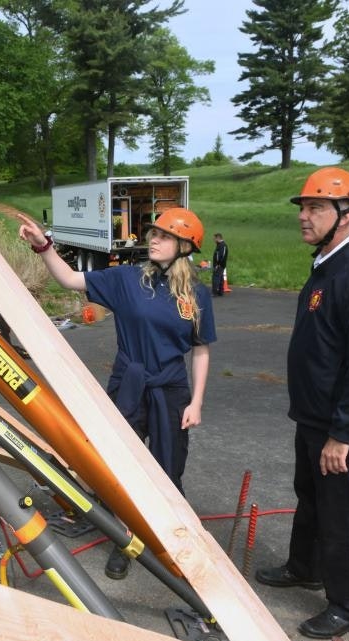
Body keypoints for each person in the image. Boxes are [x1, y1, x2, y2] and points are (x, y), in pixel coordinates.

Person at [19, 208, 215, 580]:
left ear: (186, 247)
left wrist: (196, 402)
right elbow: (69, 279)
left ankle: (174, 541)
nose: (153, 239)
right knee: (119, 469)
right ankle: (125, 542)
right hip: (130, 383)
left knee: (169, 468)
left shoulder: (196, 295)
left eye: (164, 236)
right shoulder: (128, 279)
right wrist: (44, 247)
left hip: (171, 389)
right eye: (153, 233)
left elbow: (201, 348)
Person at [255, 167, 349, 639]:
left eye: (316, 208)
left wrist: (343, 433)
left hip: (342, 424)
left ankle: (347, 605)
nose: (304, 216)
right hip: (315, 414)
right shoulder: (327, 264)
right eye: (303, 207)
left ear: (348, 214)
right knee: (310, 495)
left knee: (339, 509)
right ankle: (305, 566)